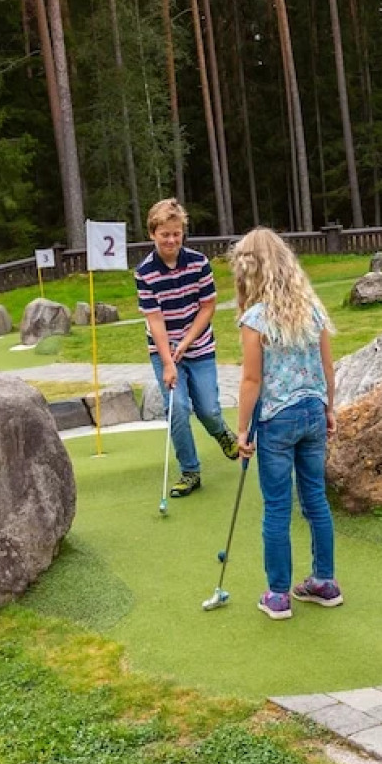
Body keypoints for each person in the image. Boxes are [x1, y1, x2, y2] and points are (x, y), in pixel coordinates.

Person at [230, 228, 342, 621]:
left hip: (277, 419)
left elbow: (251, 380)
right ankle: (324, 582)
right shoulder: (312, 309)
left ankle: (278, 594)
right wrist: (329, 408)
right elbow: (327, 366)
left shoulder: (256, 319)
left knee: (277, 507)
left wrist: (242, 430)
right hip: (313, 411)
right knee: (315, 498)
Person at [136, 198, 238, 498]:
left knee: (207, 408)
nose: (171, 240)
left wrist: (187, 341)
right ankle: (190, 471)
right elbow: (154, 320)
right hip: (163, 349)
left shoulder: (198, 263)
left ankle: (220, 432)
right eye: (164, 234)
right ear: (153, 234)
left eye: (176, 233)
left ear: (183, 233)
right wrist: (168, 361)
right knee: (177, 408)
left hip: (200, 345)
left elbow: (207, 307)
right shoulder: (144, 272)